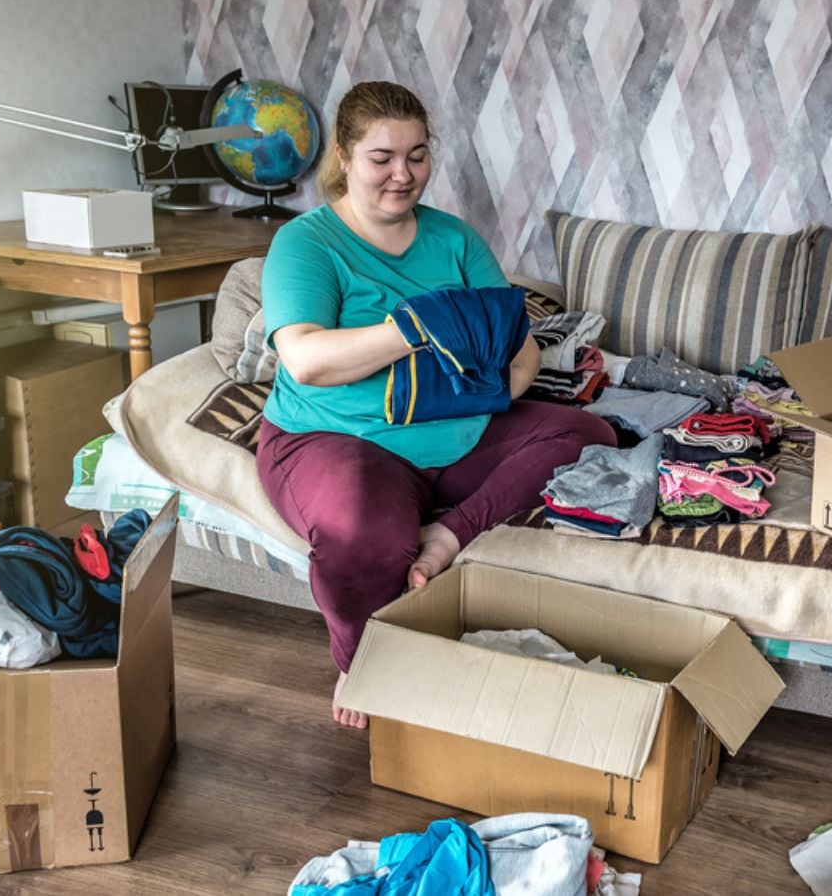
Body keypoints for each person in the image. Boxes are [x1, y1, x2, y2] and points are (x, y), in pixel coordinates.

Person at [255, 82, 615, 729]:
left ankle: (446, 537)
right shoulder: (307, 244)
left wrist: (492, 390)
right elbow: (305, 359)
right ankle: (362, 659)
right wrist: (417, 326)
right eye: (382, 158)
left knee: (588, 433)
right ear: (343, 155)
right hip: (339, 439)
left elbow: (521, 349)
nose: (403, 174)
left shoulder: (456, 241)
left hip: (455, 434)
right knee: (361, 534)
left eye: (417, 155)